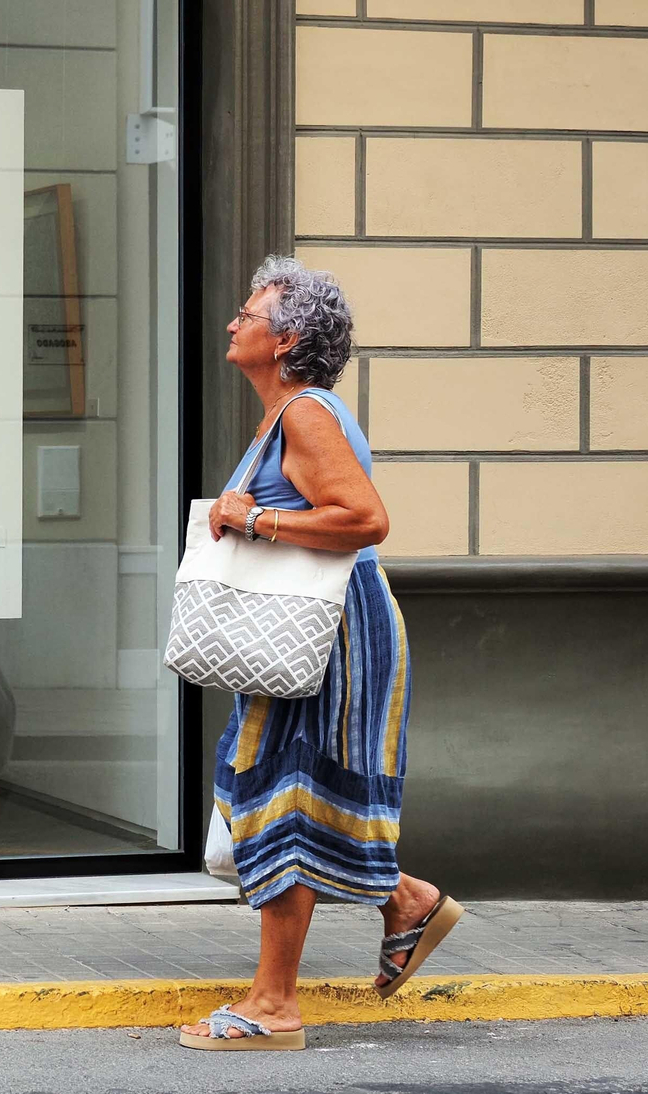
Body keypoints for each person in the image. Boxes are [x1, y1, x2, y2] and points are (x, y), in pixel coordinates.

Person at [178, 256, 464, 1052]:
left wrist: (256, 521)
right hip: (320, 628)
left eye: (250, 312)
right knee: (274, 786)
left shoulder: (306, 413)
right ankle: (405, 900)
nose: (234, 321)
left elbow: (366, 519)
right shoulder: (289, 414)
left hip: (332, 631)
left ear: (288, 338)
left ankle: (274, 1007)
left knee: (286, 798)